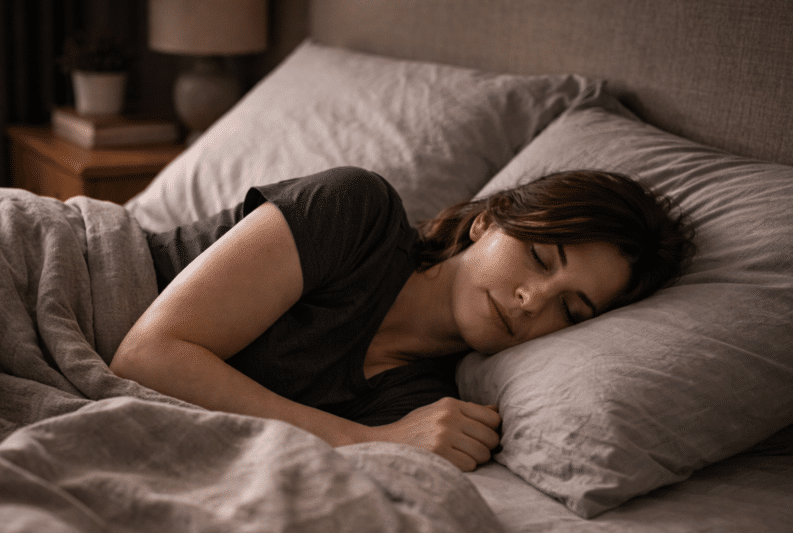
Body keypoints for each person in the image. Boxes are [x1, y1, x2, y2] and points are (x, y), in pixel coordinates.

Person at [111, 166, 693, 471]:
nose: (530, 301)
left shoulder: (419, 404)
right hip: (70, 271)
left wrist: (385, 439)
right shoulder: (357, 210)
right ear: (488, 221)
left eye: (571, 309)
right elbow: (147, 354)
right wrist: (363, 440)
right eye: (540, 257)